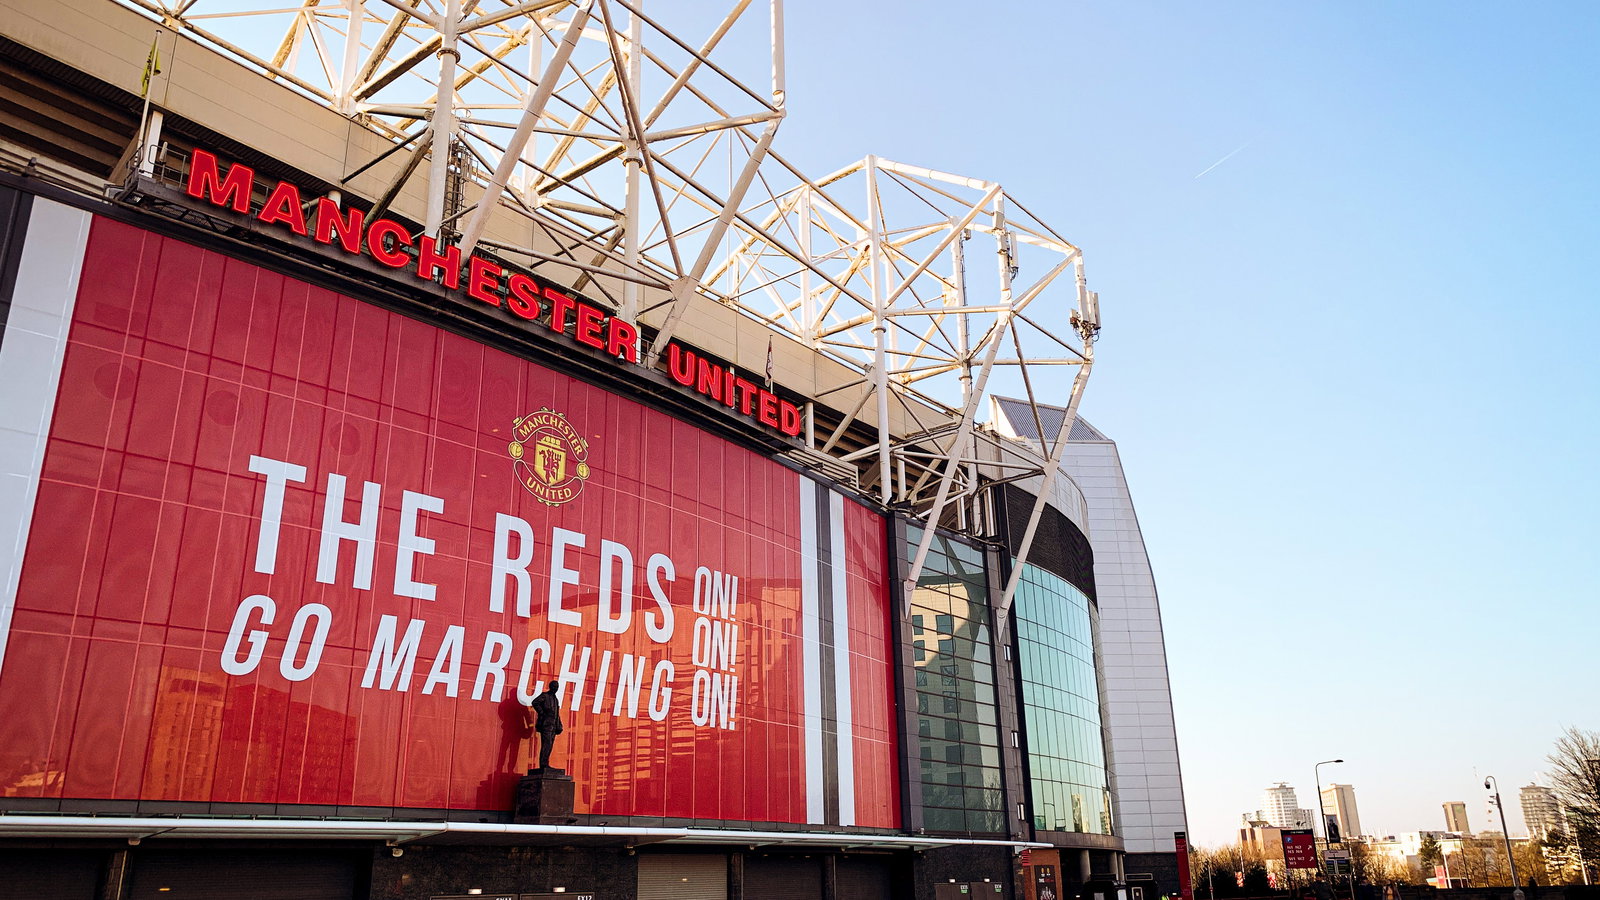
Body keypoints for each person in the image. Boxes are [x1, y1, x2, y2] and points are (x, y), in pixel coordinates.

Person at [531, 680, 564, 771]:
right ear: (550, 687)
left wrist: (559, 724)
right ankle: (543, 764)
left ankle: (546, 763)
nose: (555, 689)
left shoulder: (555, 699)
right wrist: (542, 713)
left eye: (557, 687)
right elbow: (535, 702)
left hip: (553, 726)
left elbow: (557, 713)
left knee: (550, 745)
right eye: (554, 687)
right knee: (546, 744)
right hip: (546, 725)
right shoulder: (545, 696)